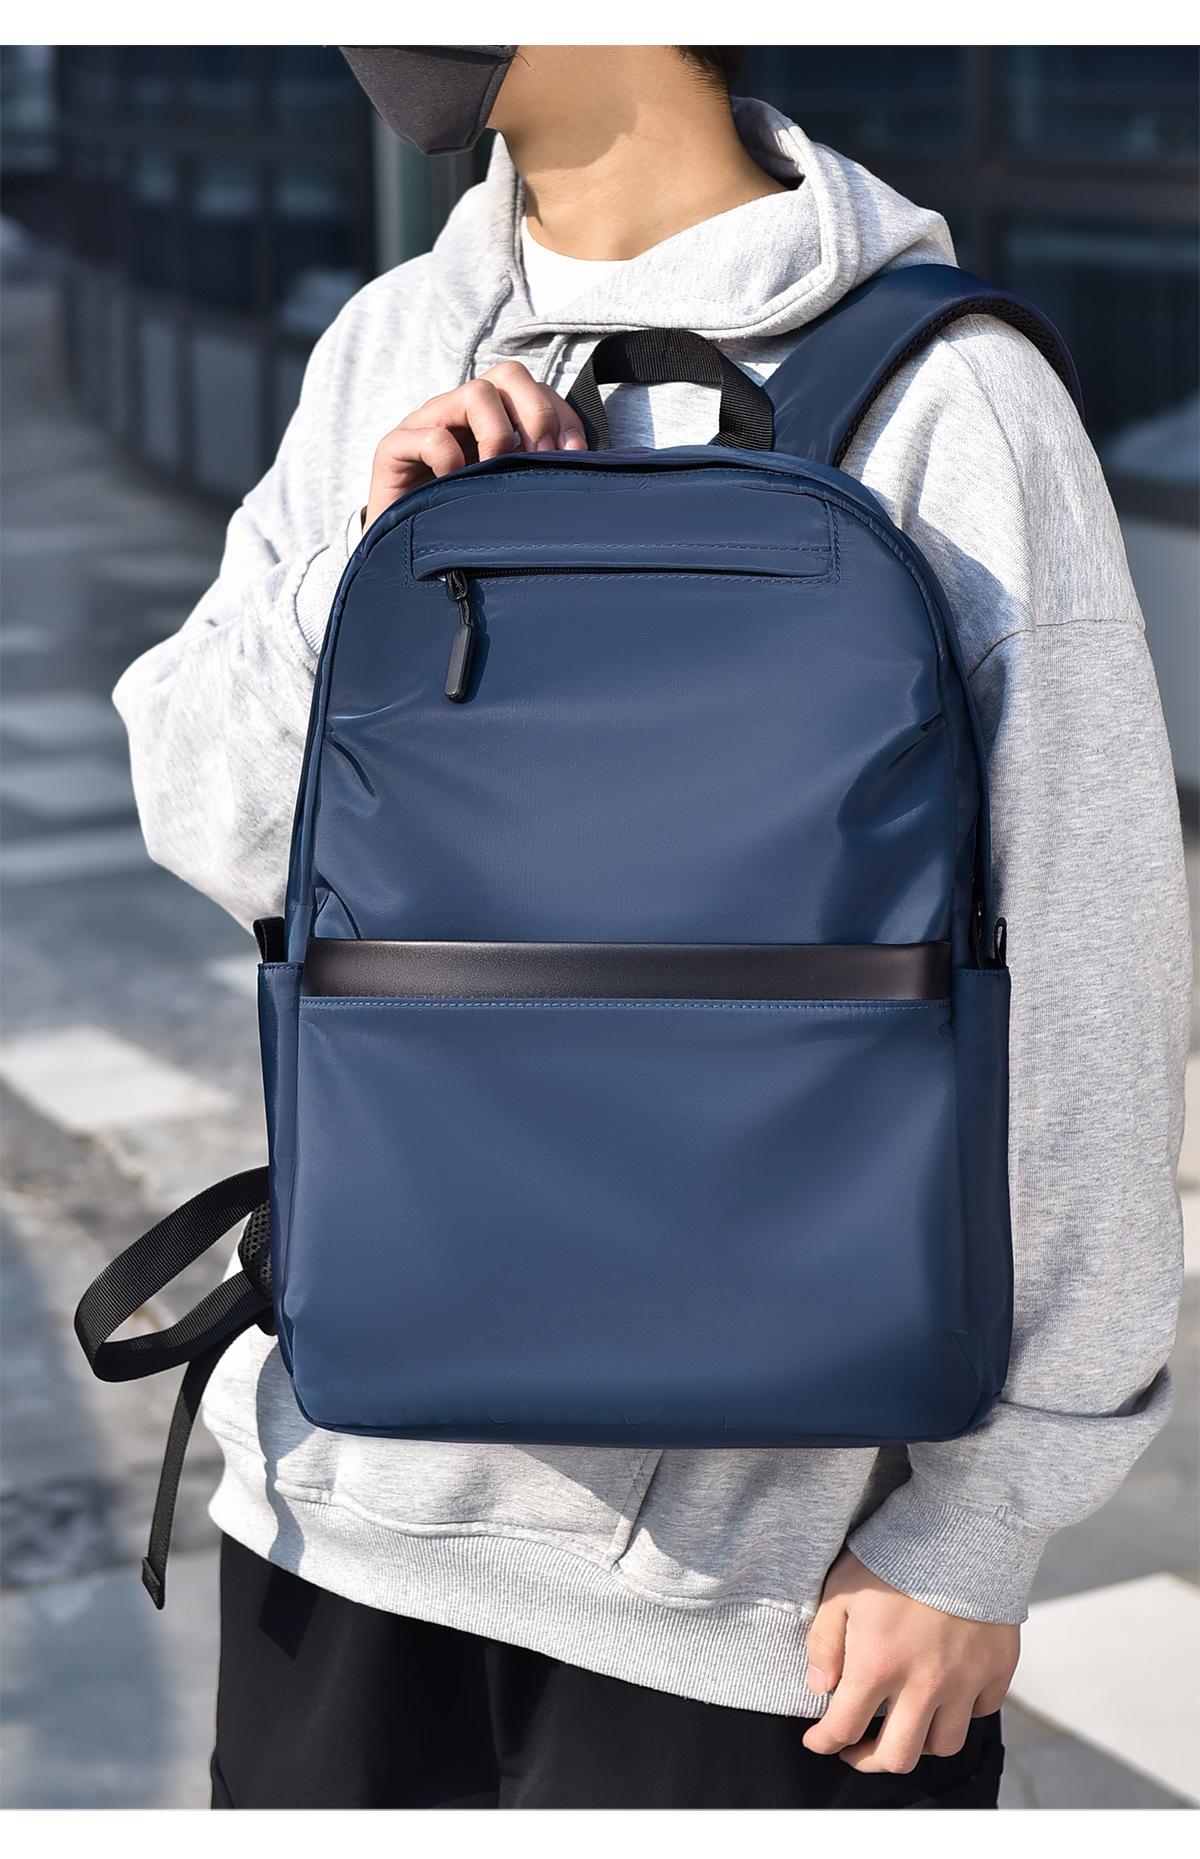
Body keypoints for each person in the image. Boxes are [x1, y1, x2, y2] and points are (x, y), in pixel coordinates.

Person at [113, 46, 1189, 1811]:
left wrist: (983, 1527)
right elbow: (208, 820)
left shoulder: (953, 396)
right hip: (336, 1518)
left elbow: (1095, 974)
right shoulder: (393, 338)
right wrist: (363, 578)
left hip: (761, 1611)